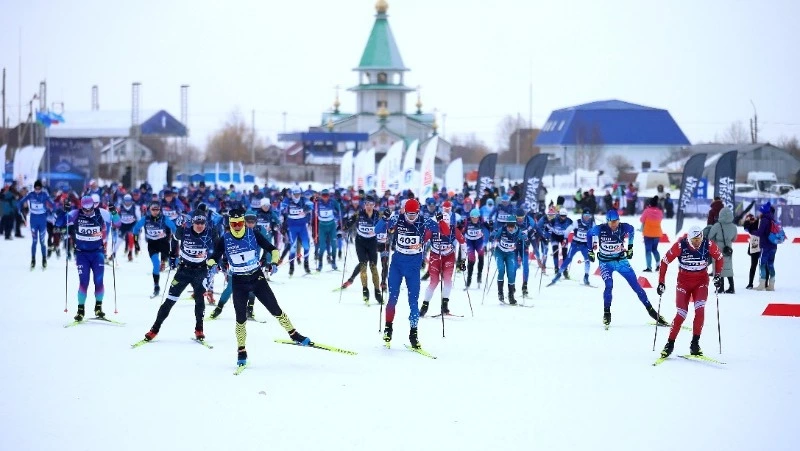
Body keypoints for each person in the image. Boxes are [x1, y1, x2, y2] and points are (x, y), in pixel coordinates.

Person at [207, 208, 310, 369]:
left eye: (240, 223)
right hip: (239, 282)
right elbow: (212, 258)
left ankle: (294, 334)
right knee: (240, 319)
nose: (238, 227)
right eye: (234, 224)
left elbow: (273, 249)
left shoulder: (253, 234)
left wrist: (274, 263)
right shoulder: (224, 239)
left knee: (276, 310)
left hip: (257, 278)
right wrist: (213, 265)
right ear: (229, 224)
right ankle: (241, 351)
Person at [141, 211, 218, 343]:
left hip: (200, 271)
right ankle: (154, 329)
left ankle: (199, 329)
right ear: (192, 223)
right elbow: (174, 240)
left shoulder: (210, 232)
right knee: (170, 301)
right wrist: (172, 256)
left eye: (202, 223)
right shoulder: (184, 231)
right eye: (197, 223)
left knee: (200, 301)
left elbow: (218, 249)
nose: (200, 225)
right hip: (183, 271)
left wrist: (217, 261)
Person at [383, 198, 448, 349]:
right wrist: (384, 218)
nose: (411, 217)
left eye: (414, 214)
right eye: (409, 214)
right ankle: (388, 328)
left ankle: (413, 334)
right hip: (397, 263)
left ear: (418, 212)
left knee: (413, 301)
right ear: (404, 211)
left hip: (413, 266)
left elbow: (444, 232)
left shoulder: (425, 221)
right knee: (392, 298)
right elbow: (379, 229)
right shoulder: (398, 219)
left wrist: (440, 221)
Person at [587, 209, 669, 328]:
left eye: (616, 221)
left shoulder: (623, 227)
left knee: (636, 286)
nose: (614, 224)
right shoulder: (600, 228)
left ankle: (652, 312)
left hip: (621, 261)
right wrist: (590, 251)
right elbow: (589, 233)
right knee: (609, 285)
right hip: (605, 263)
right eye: (612, 222)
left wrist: (630, 247)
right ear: (607, 222)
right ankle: (607, 313)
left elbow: (631, 230)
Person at [657, 225, 724, 358]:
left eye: (699, 239)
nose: (697, 243)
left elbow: (720, 257)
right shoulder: (680, 246)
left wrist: (717, 276)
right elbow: (664, 261)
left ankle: (695, 344)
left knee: (700, 310)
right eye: (694, 240)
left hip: (701, 282)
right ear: (689, 239)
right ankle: (670, 344)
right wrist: (661, 282)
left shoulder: (708, 244)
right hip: (684, 282)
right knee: (681, 313)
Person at [67, 196, 121, 320]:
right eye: (84, 210)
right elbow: (59, 222)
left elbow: (117, 224)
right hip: (82, 254)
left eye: (89, 209)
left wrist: (114, 212)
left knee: (99, 282)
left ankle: (98, 308)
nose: (87, 212)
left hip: (98, 254)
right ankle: (80, 310)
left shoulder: (102, 213)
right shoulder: (75, 213)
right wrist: (65, 211)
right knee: (84, 282)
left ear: (93, 206)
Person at [420, 201, 466, 316]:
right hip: (435, 257)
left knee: (448, 281)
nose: (444, 227)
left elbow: (463, 243)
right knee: (434, 282)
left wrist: (463, 260)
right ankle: (424, 306)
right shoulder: (433, 229)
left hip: (449, 256)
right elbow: (422, 242)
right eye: (442, 225)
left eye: (447, 224)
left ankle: (444, 306)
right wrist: (421, 257)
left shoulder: (453, 230)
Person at [339, 195, 382, 303]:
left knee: (373, 268)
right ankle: (365, 290)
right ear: (364, 205)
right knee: (363, 266)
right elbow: (349, 222)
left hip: (372, 242)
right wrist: (343, 229)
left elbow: (388, 223)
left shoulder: (378, 214)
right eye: (367, 204)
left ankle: (377, 292)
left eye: (371, 204)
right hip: (360, 242)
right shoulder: (359, 214)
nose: (369, 207)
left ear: (374, 205)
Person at [132, 201, 177, 297]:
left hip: (164, 243)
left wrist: (174, 237)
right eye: (153, 209)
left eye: (157, 209)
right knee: (156, 265)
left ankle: (165, 262)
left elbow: (174, 228)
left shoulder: (164, 218)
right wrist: (136, 242)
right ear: (149, 210)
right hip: (152, 244)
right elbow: (135, 230)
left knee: (174, 262)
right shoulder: (145, 219)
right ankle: (156, 286)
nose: (155, 212)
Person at [550, 209, 594, 286]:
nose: (587, 218)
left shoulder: (592, 223)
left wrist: (595, 242)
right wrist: (565, 238)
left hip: (585, 245)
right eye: (585, 216)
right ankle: (559, 274)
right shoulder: (577, 222)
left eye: (588, 216)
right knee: (568, 259)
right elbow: (567, 230)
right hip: (575, 244)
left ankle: (586, 277)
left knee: (587, 260)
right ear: (582, 216)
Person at [489, 215, 525, 304]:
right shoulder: (502, 229)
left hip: (510, 254)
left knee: (511, 273)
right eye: (508, 226)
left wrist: (526, 240)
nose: (510, 228)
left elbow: (524, 236)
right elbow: (494, 234)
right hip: (499, 253)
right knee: (501, 270)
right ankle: (500, 293)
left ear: (515, 225)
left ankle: (511, 296)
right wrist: (492, 237)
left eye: (512, 226)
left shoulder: (518, 231)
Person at [18, 180, 53, 269]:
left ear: (41, 188)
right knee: (34, 241)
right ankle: (33, 260)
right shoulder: (30, 194)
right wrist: (19, 208)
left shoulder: (45, 195)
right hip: (33, 220)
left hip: (42, 220)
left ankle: (44, 260)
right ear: (34, 188)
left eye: (39, 188)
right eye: (36, 188)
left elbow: (52, 204)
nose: (37, 190)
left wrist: (53, 211)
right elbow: (21, 202)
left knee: (42, 242)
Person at [708, 206, 737, 293]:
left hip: (718, 248)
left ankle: (721, 288)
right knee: (728, 268)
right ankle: (732, 287)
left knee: (719, 267)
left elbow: (710, 236)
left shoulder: (717, 225)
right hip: (728, 249)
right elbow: (734, 239)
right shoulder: (733, 226)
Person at [314, 189, 341, 271]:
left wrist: (337, 217)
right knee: (322, 246)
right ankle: (320, 264)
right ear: (321, 196)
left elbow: (339, 210)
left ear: (329, 196)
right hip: (322, 226)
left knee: (334, 245)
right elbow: (312, 207)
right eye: (323, 196)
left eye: (327, 196)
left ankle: (333, 262)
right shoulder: (318, 203)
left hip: (331, 225)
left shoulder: (333, 202)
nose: (325, 197)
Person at [464, 208, 488, 289]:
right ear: (470, 217)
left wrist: (490, 225)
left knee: (481, 256)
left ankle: (479, 276)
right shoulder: (467, 221)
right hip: (470, 242)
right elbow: (461, 230)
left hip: (479, 241)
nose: (475, 219)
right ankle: (469, 280)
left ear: (479, 217)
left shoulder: (481, 220)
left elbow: (488, 227)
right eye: (473, 217)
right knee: (471, 260)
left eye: (476, 217)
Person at [755, 202, 777, 291]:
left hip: (765, 245)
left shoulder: (764, 220)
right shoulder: (773, 219)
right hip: (773, 245)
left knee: (762, 264)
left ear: (764, 211)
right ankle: (771, 285)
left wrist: (751, 231)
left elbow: (760, 233)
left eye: (760, 211)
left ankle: (762, 284)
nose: (759, 213)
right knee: (771, 264)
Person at [639, 196, 663, 272]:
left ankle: (649, 267)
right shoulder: (660, 212)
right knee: (655, 249)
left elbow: (641, 220)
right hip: (657, 233)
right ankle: (658, 265)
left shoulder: (647, 211)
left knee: (648, 250)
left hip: (648, 233)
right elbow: (661, 219)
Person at [741, 213, 761, 289]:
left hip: (755, 245)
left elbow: (746, 228)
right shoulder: (762, 222)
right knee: (763, 265)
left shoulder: (754, 225)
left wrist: (747, 221)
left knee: (753, 265)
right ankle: (765, 283)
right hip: (762, 244)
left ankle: (750, 283)